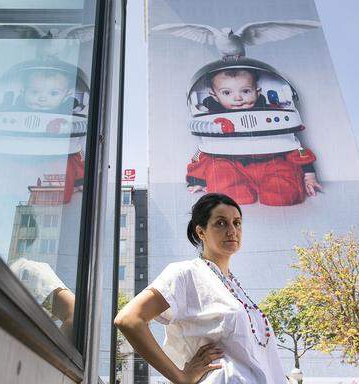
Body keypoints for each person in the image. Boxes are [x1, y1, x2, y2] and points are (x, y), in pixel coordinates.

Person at [114, 193, 287, 383]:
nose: (232, 230)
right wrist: (180, 378)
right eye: (220, 223)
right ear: (201, 232)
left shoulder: (234, 287)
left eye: (236, 223)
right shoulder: (186, 273)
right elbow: (129, 319)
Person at [186, 69, 322, 206]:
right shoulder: (210, 121)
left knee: (285, 182)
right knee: (218, 168)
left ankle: (278, 190)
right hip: (233, 166)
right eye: (227, 92)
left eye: (245, 91)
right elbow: (201, 154)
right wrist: (198, 180)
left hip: (271, 164)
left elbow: (297, 148)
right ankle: (234, 191)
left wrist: (309, 175)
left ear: (257, 92)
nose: (237, 98)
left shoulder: (273, 113)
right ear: (214, 96)